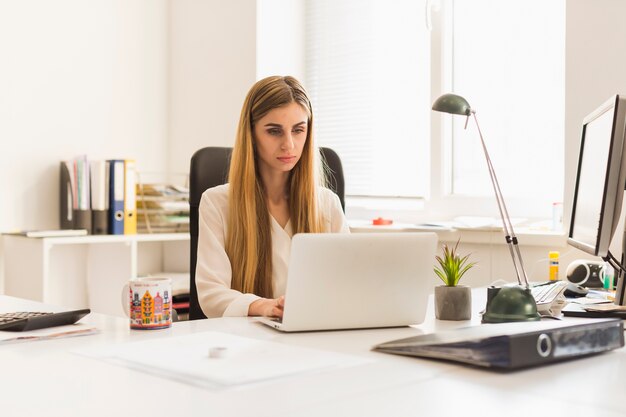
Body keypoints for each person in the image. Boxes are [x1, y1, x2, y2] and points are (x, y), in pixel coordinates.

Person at [195, 75, 349, 319]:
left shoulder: (327, 204)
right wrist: (263, 306)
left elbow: (348, 284)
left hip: (312, 336)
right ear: (251, 133)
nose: (289, 144)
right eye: (274, 131)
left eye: (298, 130)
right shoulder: (216, 203)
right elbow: (211, 294)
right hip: (246, 341)